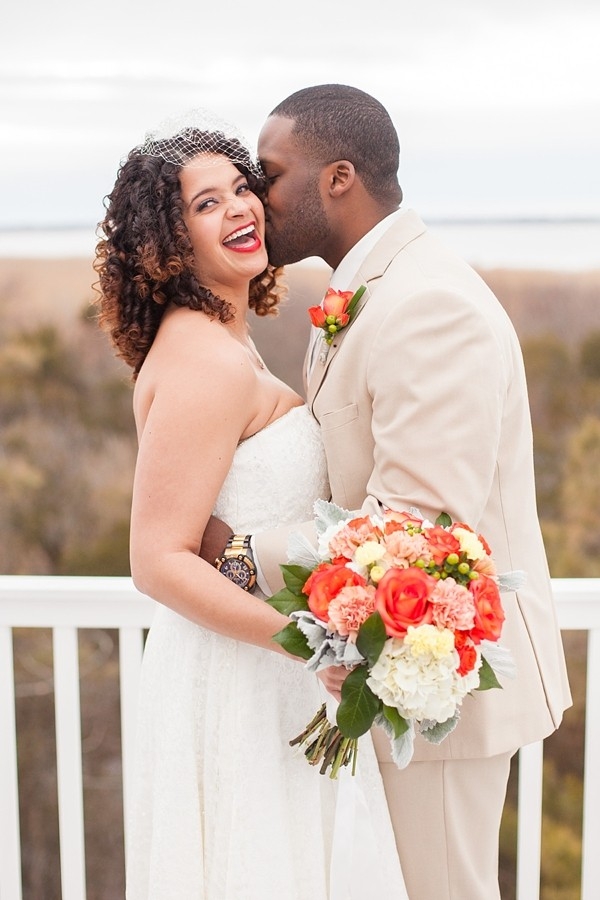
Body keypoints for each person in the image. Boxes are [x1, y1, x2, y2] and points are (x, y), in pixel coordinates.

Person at [202, 85, 572, 900]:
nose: (257, 196)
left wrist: (234, 554)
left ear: (339, 178)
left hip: (443, 687)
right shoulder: (373, 292)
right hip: (386, 670)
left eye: (270, 172)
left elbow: (415, 528)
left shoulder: (427, 304)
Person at [93, 111, 408, 900]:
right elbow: (157, 561)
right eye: (205, 204)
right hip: (238, 672)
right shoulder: (204, 359)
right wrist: (308, 645)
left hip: (259, 661)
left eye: (242, 188)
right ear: (167, 242)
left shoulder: (223, 341)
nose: (239, 208)